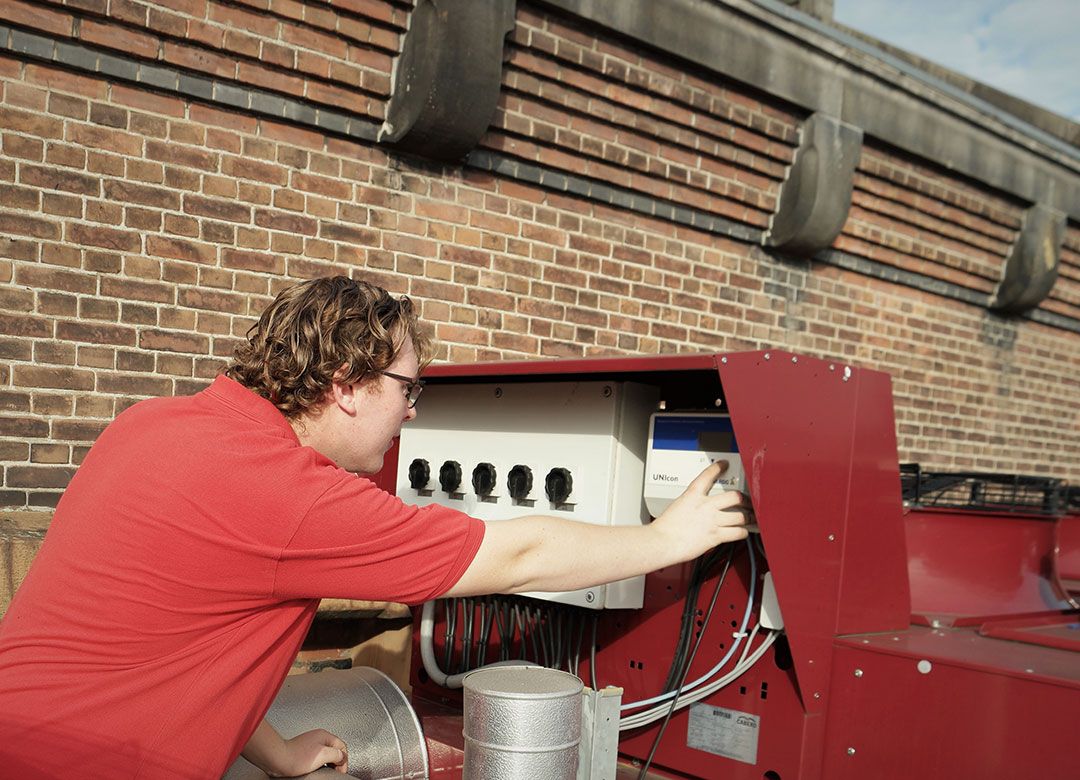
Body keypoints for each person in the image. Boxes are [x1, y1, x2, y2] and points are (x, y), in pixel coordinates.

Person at [0, 275, 750, 778]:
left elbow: (185, 641)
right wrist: (666, 540)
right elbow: (518, 552)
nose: (415, 410)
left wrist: (275, 754)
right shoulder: (291, 496)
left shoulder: (152, 425)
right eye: (408, 387)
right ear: (347, 387)